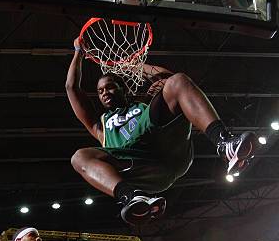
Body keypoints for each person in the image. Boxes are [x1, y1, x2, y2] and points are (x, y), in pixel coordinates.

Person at [66, 39, 258, 224]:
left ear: (123, 88)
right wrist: (78, 53)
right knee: (78, 157)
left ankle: (225, 143)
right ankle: (131, 196)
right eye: (100, 91)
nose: (105, 93)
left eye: (110, 87)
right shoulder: (100, 126)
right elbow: (71, 87)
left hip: (165, 146)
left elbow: (168, 78)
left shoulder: (143, 103)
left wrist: (129, 65)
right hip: (139, 167)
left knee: (177, 81)